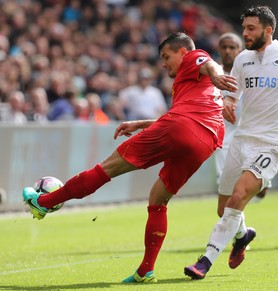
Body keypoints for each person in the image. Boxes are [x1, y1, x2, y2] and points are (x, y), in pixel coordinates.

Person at [22, 32, 237, 283]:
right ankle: (146, 270)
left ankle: (45, 202)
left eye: (167, 57)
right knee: (159, 197)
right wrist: (141, 123)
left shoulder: (194, 57)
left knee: (107, 168)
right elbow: (184, 116)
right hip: (206, 142)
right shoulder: (195, 85)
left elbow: (206, 63)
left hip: (183, 127)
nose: (164, 63)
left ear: (181, 52)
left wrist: (217, 74)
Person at [184, 5, 278, 280]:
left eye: (250, 28)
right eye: (244, 28)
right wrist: (229, 103)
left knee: (238, 196)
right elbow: (234, 93)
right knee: (224, 208)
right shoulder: (243, 59)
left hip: (273, 144)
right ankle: (243, 236)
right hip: (242, 140)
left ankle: (205, 261)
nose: (245, 33)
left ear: (268, 30)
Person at [215, 32, 267, 204]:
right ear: (219, 50)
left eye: (232, 47)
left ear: (240, 50)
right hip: (223, 141)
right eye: (224, 47)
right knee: (228, 191)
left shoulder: (251, 73)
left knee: (260, 192)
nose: (228, 51)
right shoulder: (213, 76)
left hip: (252, 135)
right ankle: (238, 229)